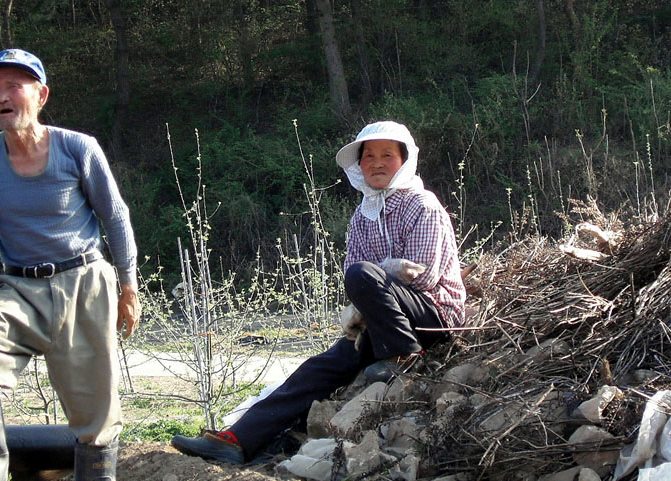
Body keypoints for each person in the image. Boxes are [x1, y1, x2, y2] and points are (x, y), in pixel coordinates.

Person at [170, 120, 465, 464]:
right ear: (360, 165)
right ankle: (238, 441)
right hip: (385, 322)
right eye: (369, 156)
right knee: (319, 368)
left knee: (362, 274)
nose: (377, 163)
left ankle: (405, 356)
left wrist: (375, 282)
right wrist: (364, 304)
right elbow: (356, 279)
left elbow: (424, 277)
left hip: (432, 315)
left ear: (404, 161)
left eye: (387, 155)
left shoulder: (423, 205)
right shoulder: (362, 216)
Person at [0, 49, 140, 481]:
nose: (1, 97)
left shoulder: (77, 148)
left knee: (97, 409)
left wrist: (128, 286)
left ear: (41, 95)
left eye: (13, 86)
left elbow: (115, 217)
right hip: (19, 290)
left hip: (84, 283)